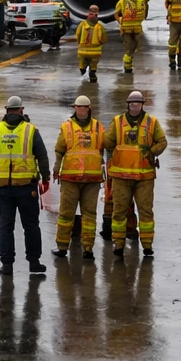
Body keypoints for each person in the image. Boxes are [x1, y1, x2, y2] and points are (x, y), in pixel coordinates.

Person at [0, 96, 50, 277]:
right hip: (27, 187)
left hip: (2, 189)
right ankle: (34, 262)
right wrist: (46, 177)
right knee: (31, 226)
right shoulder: (30, 130)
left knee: (5, 227)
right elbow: (42, 155)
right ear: (21, 110)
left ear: (6, 110)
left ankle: (7, 265)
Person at [103, 90, 167, 260]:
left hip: (144, 177)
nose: (135, 107)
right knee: (119, 211)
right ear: (128, 105)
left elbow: (162, 142)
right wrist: (114, 152)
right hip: (121, 176)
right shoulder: (117, 122)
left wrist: (151, 152)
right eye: (132, 104)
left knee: (145, 211)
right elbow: (107, 141)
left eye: (137, 104)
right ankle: (118, 243)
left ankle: (147, 245)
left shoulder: (152, 122)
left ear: (142, 105)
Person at [52, 95, 105, 260]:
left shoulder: (98, 127)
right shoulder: (66, 127)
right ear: (75, 108)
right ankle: (62, 246)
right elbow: (60, 149)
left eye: (84, 107)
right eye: (79, 107)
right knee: (66, 214)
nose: (82, 110)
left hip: (92, 179)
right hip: (70, 178)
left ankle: (88, 248)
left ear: (89, 108)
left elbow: (104, 148)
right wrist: (56, 167)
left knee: (89, 215)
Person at [116, 0, 151, 74]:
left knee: (134, 46)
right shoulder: (123, 1)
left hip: (137, 28)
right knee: (128, 47)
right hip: (126, 28)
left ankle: (129, 60)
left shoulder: (141, 1)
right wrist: (120, 21)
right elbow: (116, 13)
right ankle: (127, 67)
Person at [75, 4, 107, 82]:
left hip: (82, 51)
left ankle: (83, 73)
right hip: (95, 52)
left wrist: (80, 43)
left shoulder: (82, 24)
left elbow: (77, 35)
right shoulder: (100, 26)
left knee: (82, 64)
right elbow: (104, 39)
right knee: (93, 66)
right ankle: (92, 77)